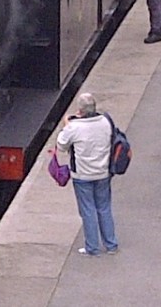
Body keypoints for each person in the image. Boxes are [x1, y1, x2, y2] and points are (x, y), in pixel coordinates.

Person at [56, 92, 119, 257]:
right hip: (103, 172)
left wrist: (66, 124)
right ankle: (111, 245)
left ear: (80, 110)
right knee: (104, 208)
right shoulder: (106, 121)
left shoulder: (74, 127)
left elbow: (61, 145)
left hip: (83, 175)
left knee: (88, 210)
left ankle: (92, 247)